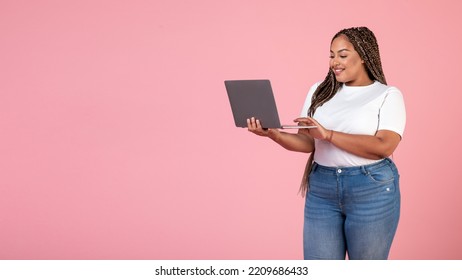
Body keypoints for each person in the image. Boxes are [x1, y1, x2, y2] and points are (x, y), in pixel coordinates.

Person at [247, 26, 406, 260]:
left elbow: (384, 146)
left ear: (363, 56)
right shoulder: (320, 91)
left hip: (371, 188)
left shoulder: (387, 95)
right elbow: (309, 143)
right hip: (322, 187)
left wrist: (329, 134)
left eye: (342, 55)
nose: (334, 62)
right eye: (331, 55)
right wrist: (273, 134)